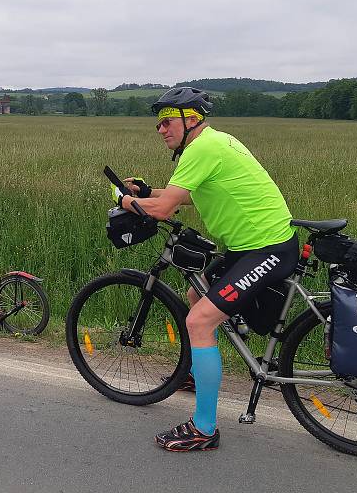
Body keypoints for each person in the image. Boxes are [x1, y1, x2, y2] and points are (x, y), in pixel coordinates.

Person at [118, 86, 298, 452]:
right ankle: (200, 375)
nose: (161, 130)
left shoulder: (202, 148)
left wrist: (123, 199)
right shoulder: (212, 144)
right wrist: (147, 191)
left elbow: (164, 210)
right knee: (194, 293)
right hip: (250, 247)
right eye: (158, 124)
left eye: (166, 121)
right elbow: (177, 195)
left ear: (191, 119)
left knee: (199, 320)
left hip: (265, 250)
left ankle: (204, 429)